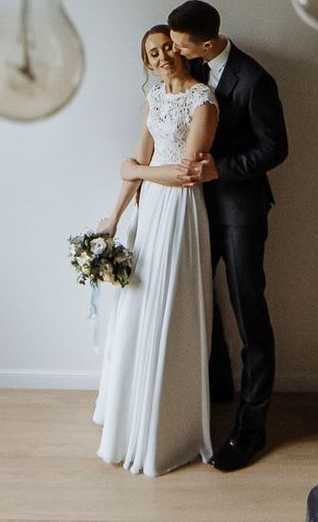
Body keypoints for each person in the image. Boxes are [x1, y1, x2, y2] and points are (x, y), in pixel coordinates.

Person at [91, 26, 218, 476]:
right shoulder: (154, 102)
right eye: (152, 52)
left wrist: (138, 169)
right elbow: (135, 164)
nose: (162, 55)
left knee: (171, 307)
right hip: (149, 214)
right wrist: (114, 217)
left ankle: (168, 428)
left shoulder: (203, 100)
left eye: (167, 47)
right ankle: (131, 416)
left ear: (180, 50)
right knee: (139, 306)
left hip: (181, 211)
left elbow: (187, 173)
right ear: (145, 62)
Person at [168, 0, 288, 472]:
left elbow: (276, 148)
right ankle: (217, 386)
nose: (177, 52)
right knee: (197, 296)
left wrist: (222, 169)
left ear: (209, 42)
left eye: (182, 45)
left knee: (247, 308)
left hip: (240, 209)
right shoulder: (191, 69)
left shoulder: (255, 80)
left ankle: (251, 428)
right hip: (192, 207)